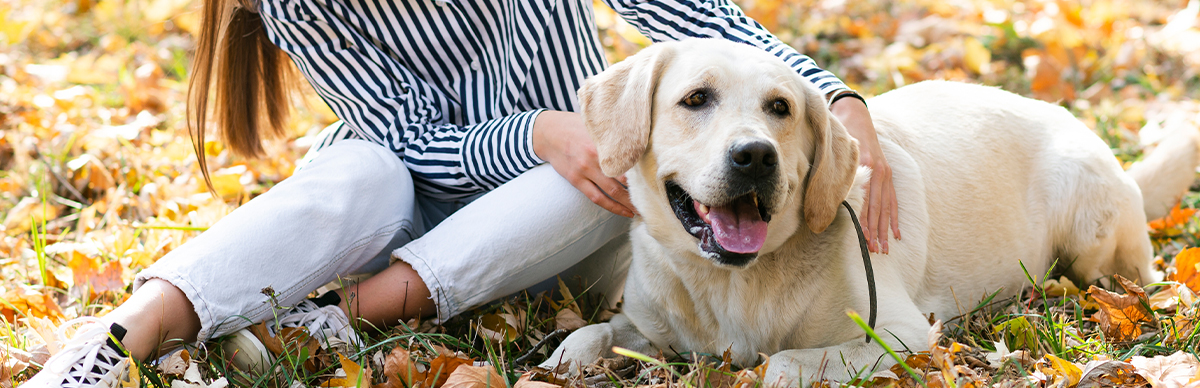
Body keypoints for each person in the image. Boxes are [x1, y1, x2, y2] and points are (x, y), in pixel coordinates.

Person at [23, 0, 899, 386]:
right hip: (411, 184)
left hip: (546, 209)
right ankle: (112, 344)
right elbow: (403, 139)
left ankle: (332, 321)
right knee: (363, 167)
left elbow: (695, 16)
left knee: (594, 179)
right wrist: (529, 131)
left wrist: (839, 95)